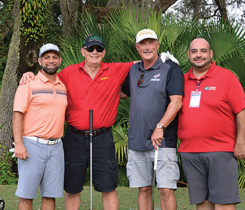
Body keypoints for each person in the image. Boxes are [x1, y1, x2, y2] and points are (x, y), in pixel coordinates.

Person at [20, 35, 134, 210]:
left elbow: (143, 62)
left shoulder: (116, 70)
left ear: (104, 52)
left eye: (98, 49)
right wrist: (29, 74)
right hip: (75, 137)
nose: (94, 52)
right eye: (90, 49)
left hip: (103, 137)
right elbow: (47, 76)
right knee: (72, 187)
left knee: (108, 187)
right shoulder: (68, 73)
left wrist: (165, 61)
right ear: (83, 51)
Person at [178, 38, 245, 210]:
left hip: (220, 151)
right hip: (190, 152)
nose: (198, 55)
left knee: (224, 203)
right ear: (188, 55)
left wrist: (241, 142)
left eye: (203, 51)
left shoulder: (227, 77)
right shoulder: (181, 80)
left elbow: (241, 112)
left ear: (210, 54)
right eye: (194, 51)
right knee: (202, 203)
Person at [121, 29, 184, 210]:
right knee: (144, 189)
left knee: (165, 189)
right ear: (137, 47)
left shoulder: (170, 67)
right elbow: (122, 94)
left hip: (162, 140)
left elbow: (177, 101)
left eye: (151, 43)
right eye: (143, 44)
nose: (147, 47)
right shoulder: (133, 69)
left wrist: (160, 126)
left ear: (157, 44)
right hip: (137, 140)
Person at [12, 43, 67, 210]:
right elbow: (17, 114)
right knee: (27, 195)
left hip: (57, 146)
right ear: (39, 61)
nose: (51, 61)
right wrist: (19, 144)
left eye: (54, 57)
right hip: (31, 145)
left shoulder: (63, 86)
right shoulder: (28, 83)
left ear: (59, 60)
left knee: (50, 196)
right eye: (46, 57)